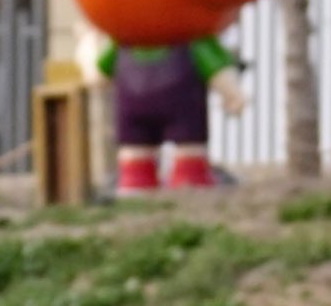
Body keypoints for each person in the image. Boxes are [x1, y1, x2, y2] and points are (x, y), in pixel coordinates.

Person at [101, 25, 235, 193]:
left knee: (139, 152)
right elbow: (216, 68)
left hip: (138, 103)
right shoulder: (194, 38)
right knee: (187, 146)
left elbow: (100, 71)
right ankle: (187, 176)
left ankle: (138, 177)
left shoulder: (123, 41)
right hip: (183, 102)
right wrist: (232, 93)